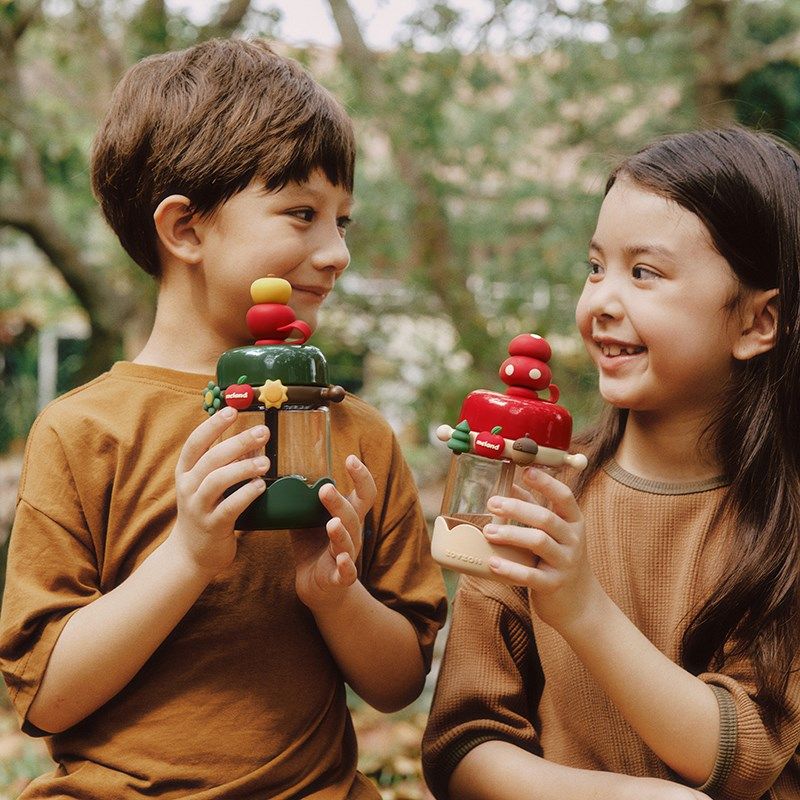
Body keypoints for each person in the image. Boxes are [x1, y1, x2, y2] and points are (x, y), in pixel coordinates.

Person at [0, 38, 447, 799]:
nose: (336, 252)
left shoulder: (357, 435)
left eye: (344, 221)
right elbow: (45, 696)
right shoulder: (85, 432)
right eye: (302, 214)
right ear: (186, 230)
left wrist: (335, 594)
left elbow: (399, 682)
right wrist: (189, 556)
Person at [421, 127, 800, 800]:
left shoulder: (783, 522)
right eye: (597, 267)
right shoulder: (532, 489)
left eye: (644, 273)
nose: (600, 301)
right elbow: (463, 744)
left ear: (755, 323)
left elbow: (746, 758)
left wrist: (582, 609)